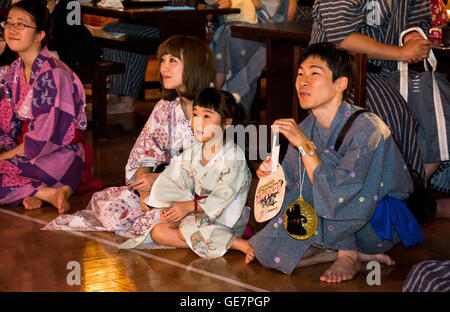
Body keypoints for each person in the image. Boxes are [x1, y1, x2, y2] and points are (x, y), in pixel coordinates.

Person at [242, 43, 423, 283]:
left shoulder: (368, 128)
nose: (303, 82)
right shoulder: (307, 127)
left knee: (321, 161)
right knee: (267, 253)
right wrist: (274, 172)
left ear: (341, 84)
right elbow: (294, 185)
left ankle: (348, 253)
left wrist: (305, 147)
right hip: (327, 220)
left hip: (374, 223)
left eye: (314, 73)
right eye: (300, 74)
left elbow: (342, 193)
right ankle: (334, 252)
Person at [44, 35, 216, 238]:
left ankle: (184, 230)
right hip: (162, 190)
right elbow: (145, 151)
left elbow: (209, 169)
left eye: (173, 61)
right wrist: (144, 188)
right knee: (113, 212)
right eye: (162, 60)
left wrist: (160, 180)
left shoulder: (213, 110)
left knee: (189, 216)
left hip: (199, 193)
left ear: (194, 66)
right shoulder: (165, 107)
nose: (164, 67)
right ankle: (170, 227)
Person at [117, 88, 252, 258]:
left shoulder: (233, 156)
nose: (198, 122)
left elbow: (223, 196)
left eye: (207, 116)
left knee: (185, 230)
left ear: (226, 123)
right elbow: (177, 176)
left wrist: (190, 207)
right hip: (199, 213)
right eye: (195, 115)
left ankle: (238, 244)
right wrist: (157, 191)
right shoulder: (196, 149)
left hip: (226, 217)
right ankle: (206, 242)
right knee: (158, 231)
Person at [0, 0, 87, 213]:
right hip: (27, 154)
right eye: (9, 23)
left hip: (59, 157)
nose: (12, 29)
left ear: (40, 35)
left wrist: (2, 158)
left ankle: (38, 190)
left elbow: (44, 138)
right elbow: (5, 123)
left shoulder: (53, 74)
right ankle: (42, 192)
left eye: (21, 24)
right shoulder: (14, 70)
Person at [209, 0, 291, 111]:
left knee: (232, 36)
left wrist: (235, 3)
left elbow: (273, 4)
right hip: (229, 28)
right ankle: (219, 94)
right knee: (228, 34)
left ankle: (228, 98)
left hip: (266, 28)